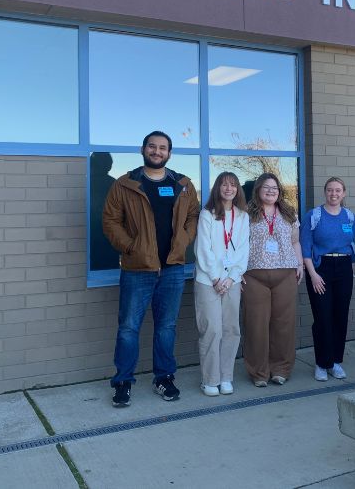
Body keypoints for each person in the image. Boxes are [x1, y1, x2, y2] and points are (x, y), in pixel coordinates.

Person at [102, 131, 200, 407]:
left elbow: (193, 215)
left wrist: (184, 239)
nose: (157, 151)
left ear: (169, 153)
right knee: (128, 328)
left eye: (162, 148)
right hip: (137, 268)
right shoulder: (125, 184)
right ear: (143, 149)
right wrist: (131, 246)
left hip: (172, 269)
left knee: (166, 327)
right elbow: (110, 221)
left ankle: (164, 378)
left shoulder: (182, 184)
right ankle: (123, 382)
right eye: (152, 147)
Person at [243, 173, 304, 387]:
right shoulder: (246, 213)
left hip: (285, 274)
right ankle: (259, 372)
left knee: (283, 325)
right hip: (254, 275)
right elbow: (238, 243)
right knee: (256, 325)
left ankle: (281, 369)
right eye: (266, 187)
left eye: (275, 187)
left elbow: (295, 242)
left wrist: (299, 264)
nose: (271, 191)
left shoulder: (289, 213)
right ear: (258, 189)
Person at [193, 172, 249, 397]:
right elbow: (203, 248)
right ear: (218, 188)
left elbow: (243, 249)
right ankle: (210, 379)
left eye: (233, 185)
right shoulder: (207, 214)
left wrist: (232, 277)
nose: (229, 189)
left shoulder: (242, 216)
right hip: (208, 281)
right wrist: (216, 278)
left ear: (237, 189)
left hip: (231, 281)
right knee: (212, 329)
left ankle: (226, 377)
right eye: (224, 185)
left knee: (231, 329)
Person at [300, 177, 355, 382]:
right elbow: (305, 247)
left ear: (344, 193)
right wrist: (313, 275)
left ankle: (335, 362)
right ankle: (321, 363)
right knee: (323, 317)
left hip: (343, 268)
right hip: (320, 269)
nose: (334, 194)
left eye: (338, 190)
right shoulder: (314, 216)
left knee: (340, 316)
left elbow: (354, 245)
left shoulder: (349, 217)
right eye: (330, 190)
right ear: (325, 192)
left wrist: (351, 269)